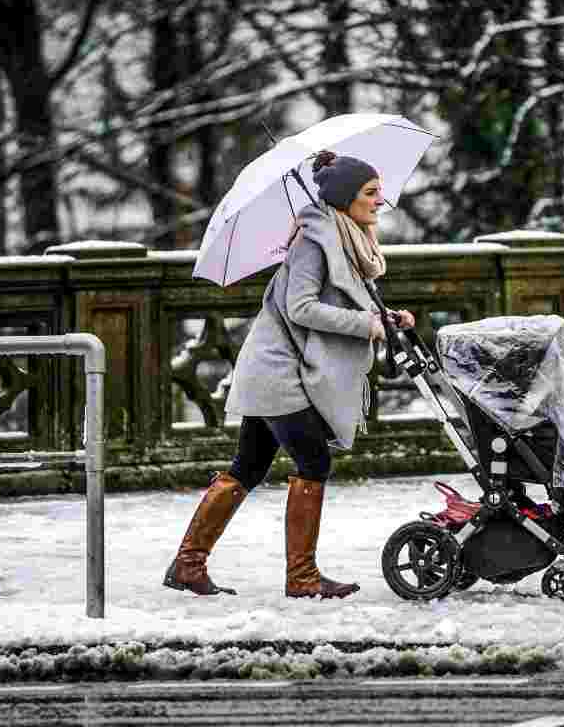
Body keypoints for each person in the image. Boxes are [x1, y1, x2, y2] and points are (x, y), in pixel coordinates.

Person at [163, 150, 415, 599]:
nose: (381, 201)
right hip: (278, 371)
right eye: (371, 193)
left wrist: (387, 317)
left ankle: (187, 565)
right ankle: (301, 578)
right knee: (313, 462)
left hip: (281, 370)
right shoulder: (313, 245)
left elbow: (345, 301)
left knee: (249, 467)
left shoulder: (347, 240)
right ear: (344, 199)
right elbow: (301, 308)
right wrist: (366, 325)